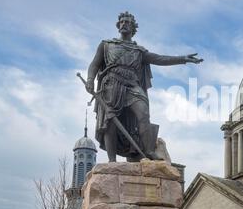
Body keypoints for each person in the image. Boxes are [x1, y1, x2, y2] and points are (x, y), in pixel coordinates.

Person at [85, 11, 203, 162]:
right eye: (121, 22)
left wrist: (183, 59)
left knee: (143, 113)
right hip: (111, 85)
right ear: (118, 26)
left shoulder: (139, 51)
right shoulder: (107, 45)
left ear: (133, 28)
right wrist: (90, 79)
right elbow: (94, 64)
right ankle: (112, 160)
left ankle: (148, 152)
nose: (124, 24)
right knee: (110, 120)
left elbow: (160, 58)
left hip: (132, 85)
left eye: (127, 22)